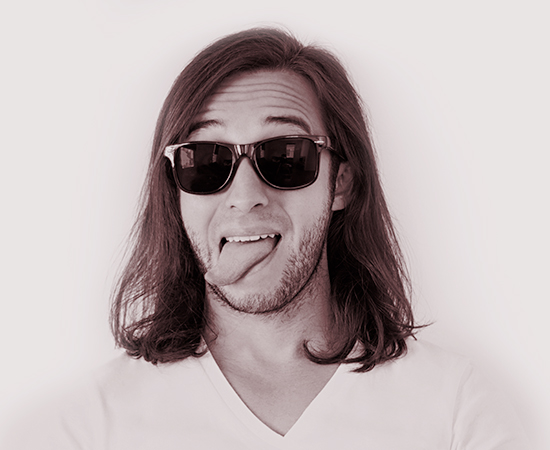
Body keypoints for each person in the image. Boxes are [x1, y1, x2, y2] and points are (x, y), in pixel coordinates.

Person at [4, 27, 528, 450]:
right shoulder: (80, 429)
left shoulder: (459, 411)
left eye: (285, 155)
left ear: (340, 182)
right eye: (206, 160)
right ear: (176, 191)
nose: (245, 197)